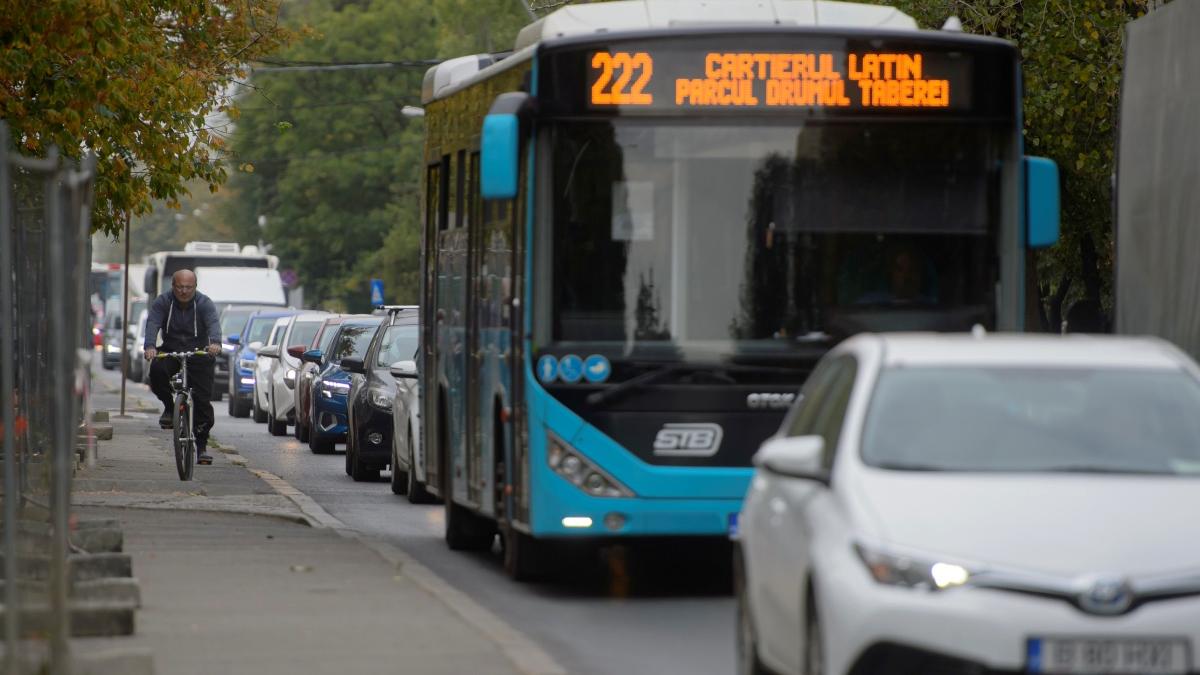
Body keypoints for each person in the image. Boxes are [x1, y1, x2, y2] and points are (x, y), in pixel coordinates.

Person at [143, 269, 221, 465]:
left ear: (195, 287)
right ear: (173, 286)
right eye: (180, 287)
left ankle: (202, 446)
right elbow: (153, 323)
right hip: (172, 349)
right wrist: (150, 346)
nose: (184, 291)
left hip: (199, 352)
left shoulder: (204, 304)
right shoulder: (163, 302)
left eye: (188, 287)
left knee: (202, 401)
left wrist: (215, 343)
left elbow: (213, 324)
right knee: (157, 371)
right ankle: (170, 408)